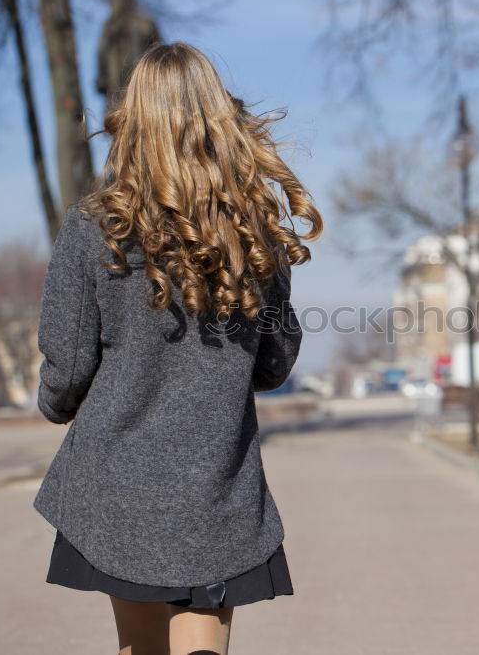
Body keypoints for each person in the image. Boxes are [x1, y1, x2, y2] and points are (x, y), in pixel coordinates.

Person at [32, 42, 322, 655]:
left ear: (131, 121)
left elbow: (69, 365)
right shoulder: (253, 232)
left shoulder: (94, 226)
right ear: (219, 119)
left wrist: (56, 404)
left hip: (119, 480)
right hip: (216, 481)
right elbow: (274, 361)